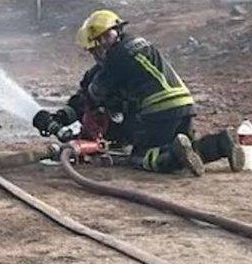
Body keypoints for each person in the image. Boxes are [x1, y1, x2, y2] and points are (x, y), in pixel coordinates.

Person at [36, 9, 239, 176]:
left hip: (159, 109)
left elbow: (95, 94)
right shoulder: (138, 44)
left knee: (141, 157)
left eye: (97, 47)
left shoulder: (116, 58)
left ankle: (174, 156)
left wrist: (76, 110)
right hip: (185, 104)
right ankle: (222, 143)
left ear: (104, 40)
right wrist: (64, 115)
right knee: (190, 148)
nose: (97, 52)